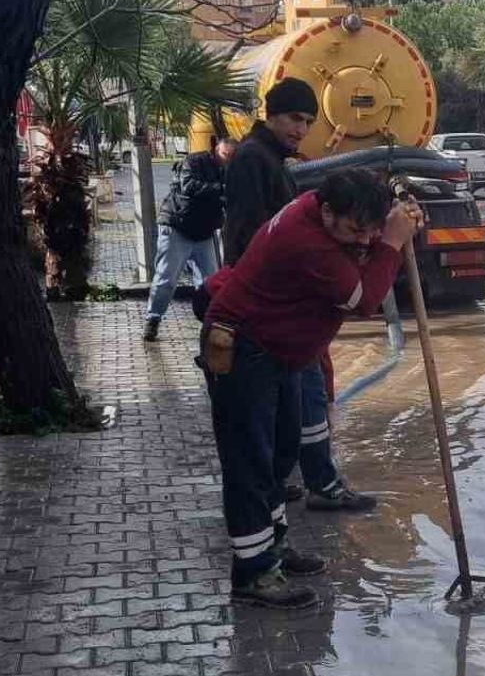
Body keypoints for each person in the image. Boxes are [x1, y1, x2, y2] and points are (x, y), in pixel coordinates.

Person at [201, 169, 423, 608]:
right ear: (326, 213)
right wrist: (392, 243)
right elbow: (364, 300)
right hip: (243, 348)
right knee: (250, 463)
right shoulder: (305, 242)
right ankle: (253, 573)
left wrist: (398, 228)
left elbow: (369, 253)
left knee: (281, 455)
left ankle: (273, 550)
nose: (363, 241)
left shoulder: (322, 213)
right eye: (355, 231)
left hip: (278, 351)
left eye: (372, 231)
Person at [221, 76, 378, 513]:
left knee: (301, 399)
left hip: (279, 305)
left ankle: (288, 480)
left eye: (308, 121)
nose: (300, 129)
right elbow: (250, 234)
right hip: (272, 307)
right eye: (293, 118)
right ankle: (315, 484)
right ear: (270, 114)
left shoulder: (270, 158)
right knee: (305, 397)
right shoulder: (254, 160)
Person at [142, 138, 237, 342]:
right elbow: (189, 186)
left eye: (231, 157)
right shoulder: (194, 162)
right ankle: (153, 319)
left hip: (204, 231)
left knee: (211, 280)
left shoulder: (230, 171)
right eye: (225, 155)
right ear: (216, 150)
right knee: (167, 279)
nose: (227, 161)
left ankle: (211, 322)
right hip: (178, 225)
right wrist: (221, 190)